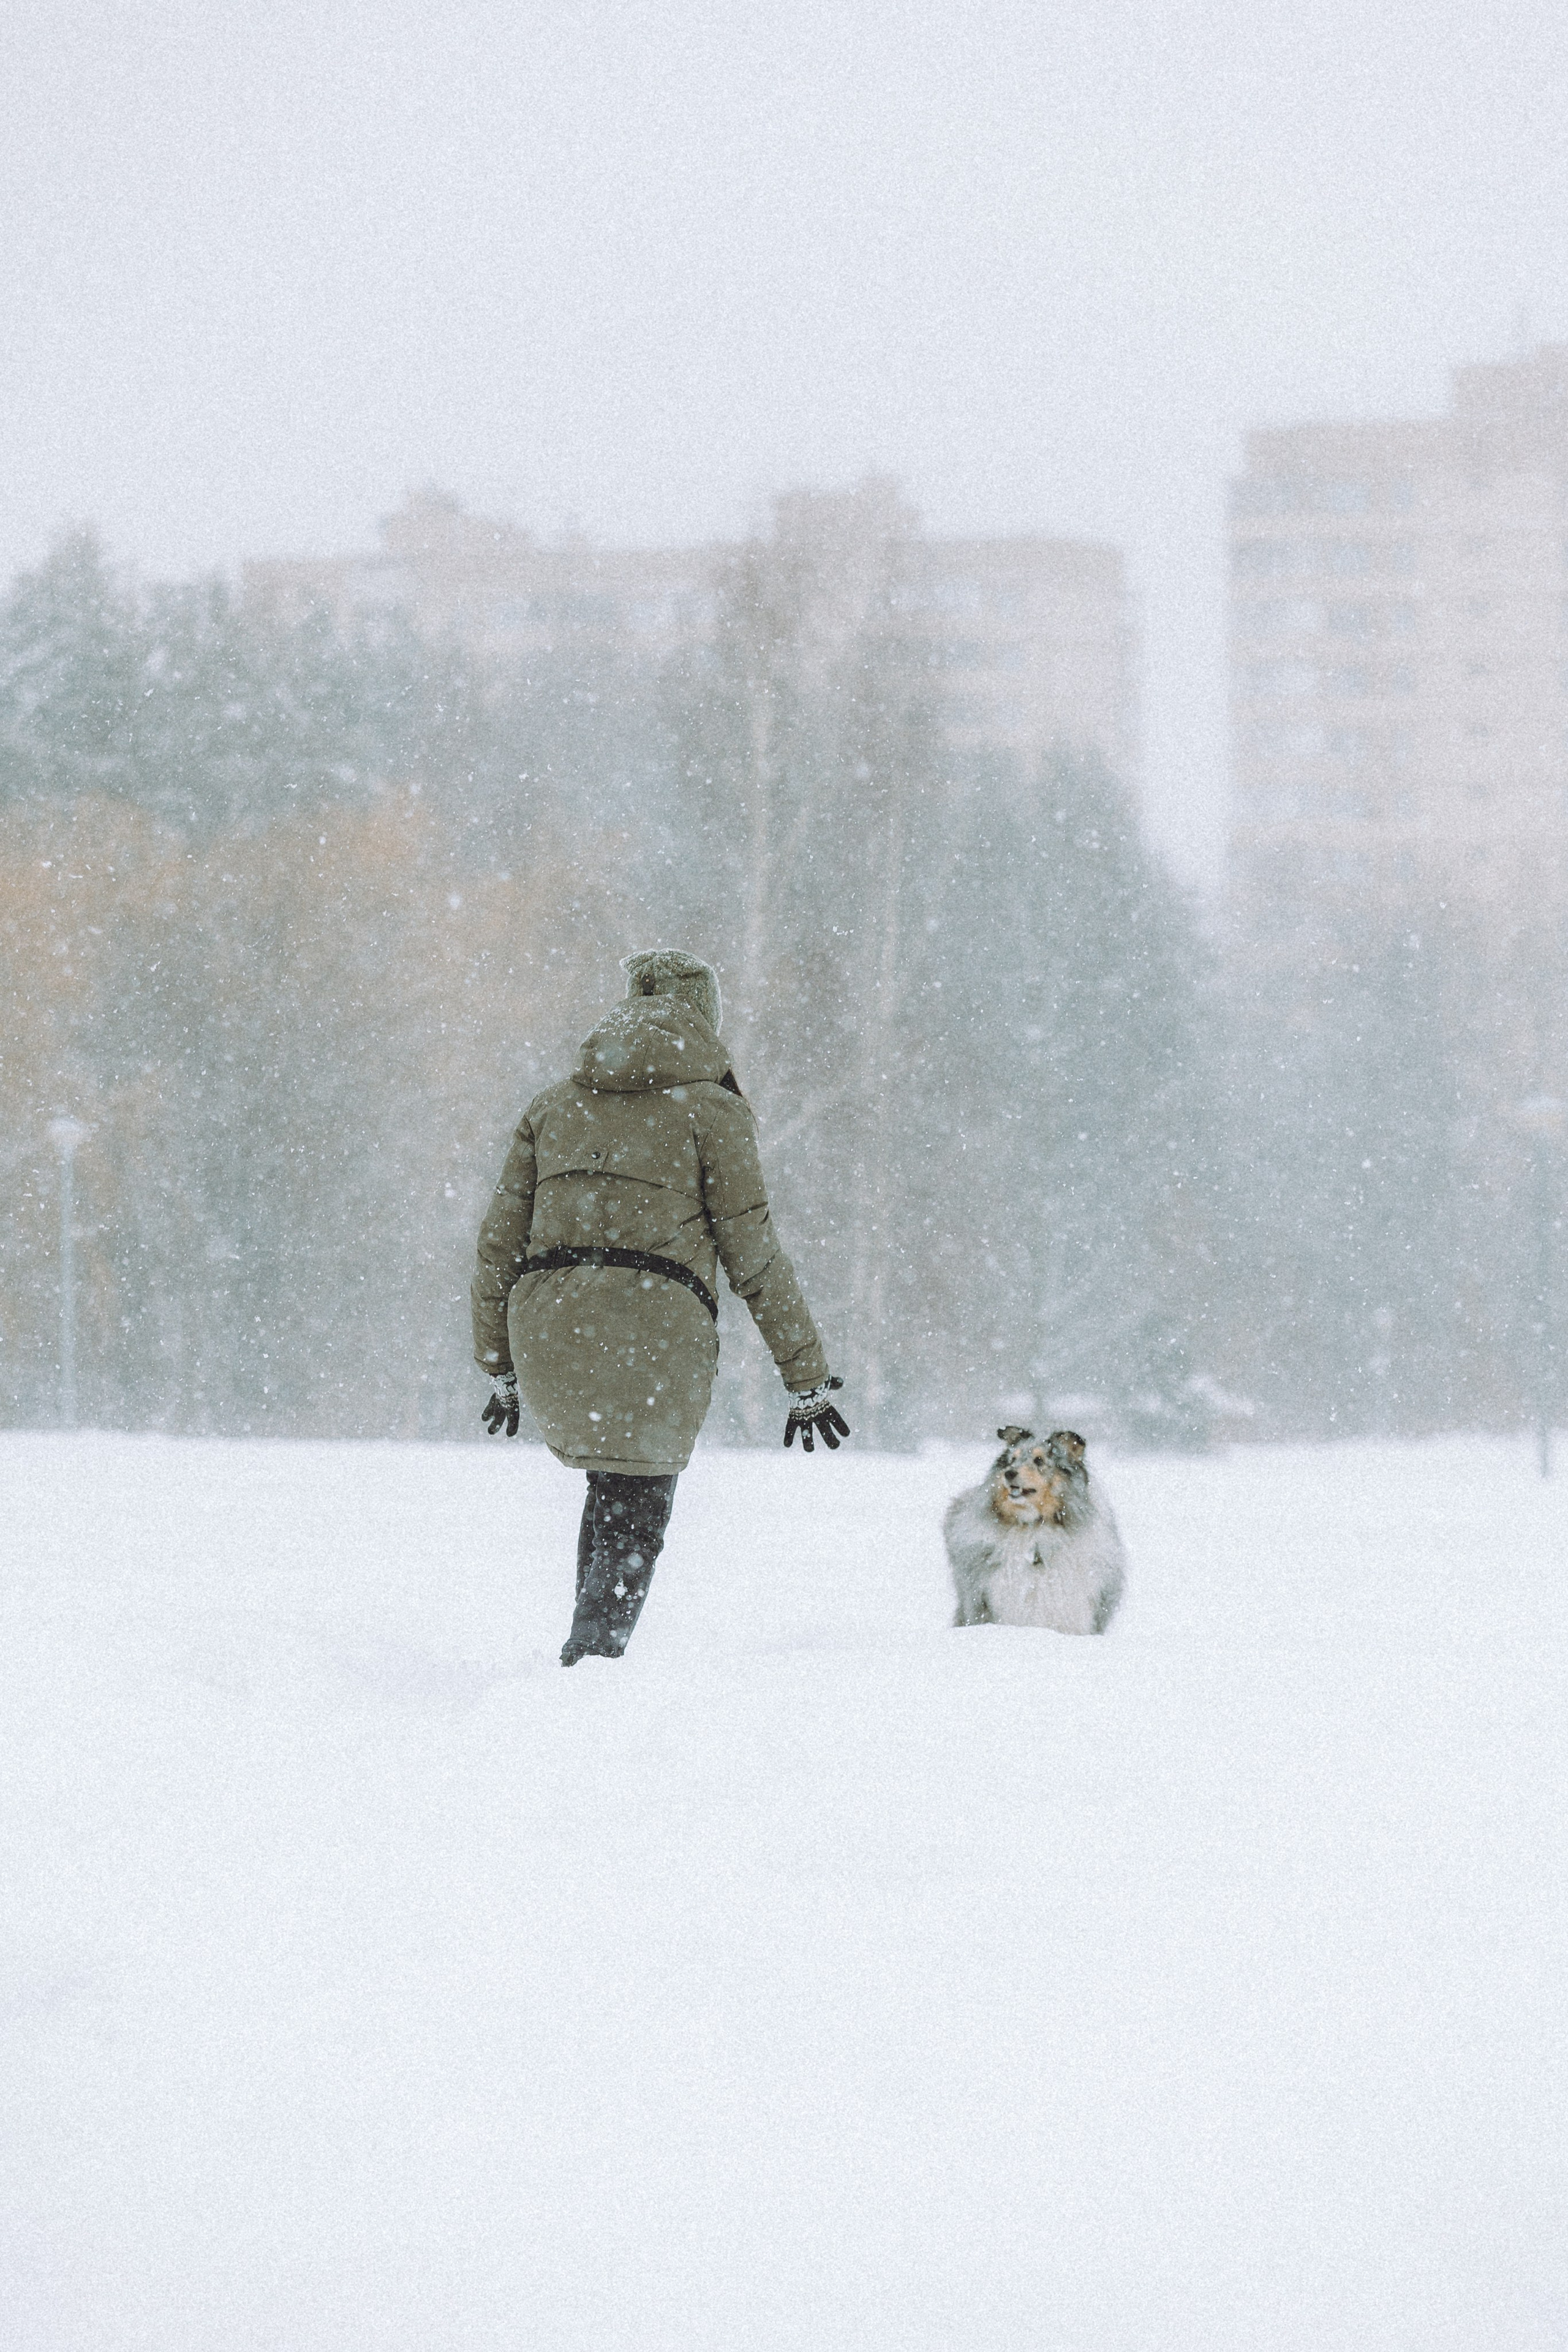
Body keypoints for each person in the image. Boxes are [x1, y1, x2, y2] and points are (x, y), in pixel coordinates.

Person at [472, 949, 848, 1665]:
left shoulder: (554, 1104)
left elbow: (497, 1247)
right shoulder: (712, 1109)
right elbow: (754, 1253)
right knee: (636, 1507)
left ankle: (583, 1662)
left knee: (611, 1488)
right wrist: (805, 1378)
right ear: (703, 1019)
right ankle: (589, 1670)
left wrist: (498, 1361)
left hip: (549, 1325)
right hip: (653, 1326)